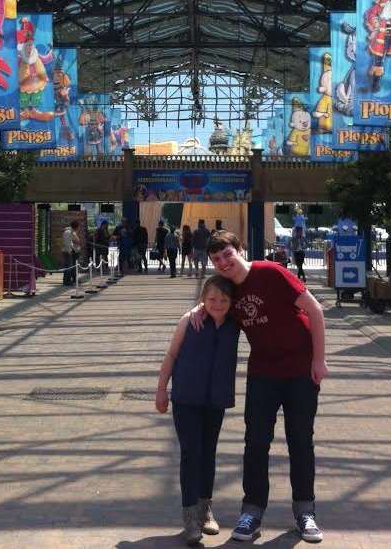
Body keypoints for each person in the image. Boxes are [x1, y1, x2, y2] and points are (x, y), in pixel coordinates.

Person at [190, 231, 327, 543]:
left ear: (241, 249)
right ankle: (252, 511)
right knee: (255, 443)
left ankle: (305, 511)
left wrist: (319, 360)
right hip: (263, 373)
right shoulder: (228, 290)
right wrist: (200, 308)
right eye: (216, 259)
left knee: (301, 440)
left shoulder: (271, 272)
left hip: (300, 370)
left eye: (227, 254)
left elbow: (315, 311)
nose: (224, 262)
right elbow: (213, 303)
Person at [156, 276, 240, 547]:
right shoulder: (189, 321)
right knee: (191, 454)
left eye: (224, 300)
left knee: (209, 454)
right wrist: (161, 390)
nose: (217, 304)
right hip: (186, 399)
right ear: (203, 298)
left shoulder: (234, 324)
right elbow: (171, 355)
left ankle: (206, 509)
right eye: (212, 299)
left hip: (215, 400)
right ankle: (190, 515)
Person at [61, 220, 80, 286]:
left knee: (70, 266)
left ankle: (68, 280)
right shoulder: (68, 232)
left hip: (69, 251)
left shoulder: (71, 232)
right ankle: (66, 281)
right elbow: (67, 243)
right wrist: (69, 251)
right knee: (68, 266)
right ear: (76, 226)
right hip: (67, 252)